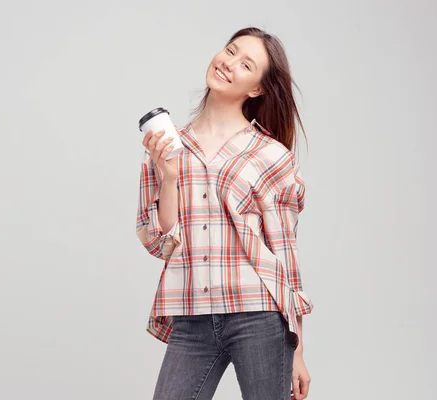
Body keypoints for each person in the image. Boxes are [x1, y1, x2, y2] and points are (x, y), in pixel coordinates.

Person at [136, 26, 313, 400]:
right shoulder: (168, 147)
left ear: (257, 89)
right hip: (192, 312)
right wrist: (169, 177)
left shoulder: (271, 155)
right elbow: (158, 243)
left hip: (259, 313)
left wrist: (298, 350)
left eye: (245, 64)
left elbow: (285, 253)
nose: (229, 63)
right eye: (230, 51)